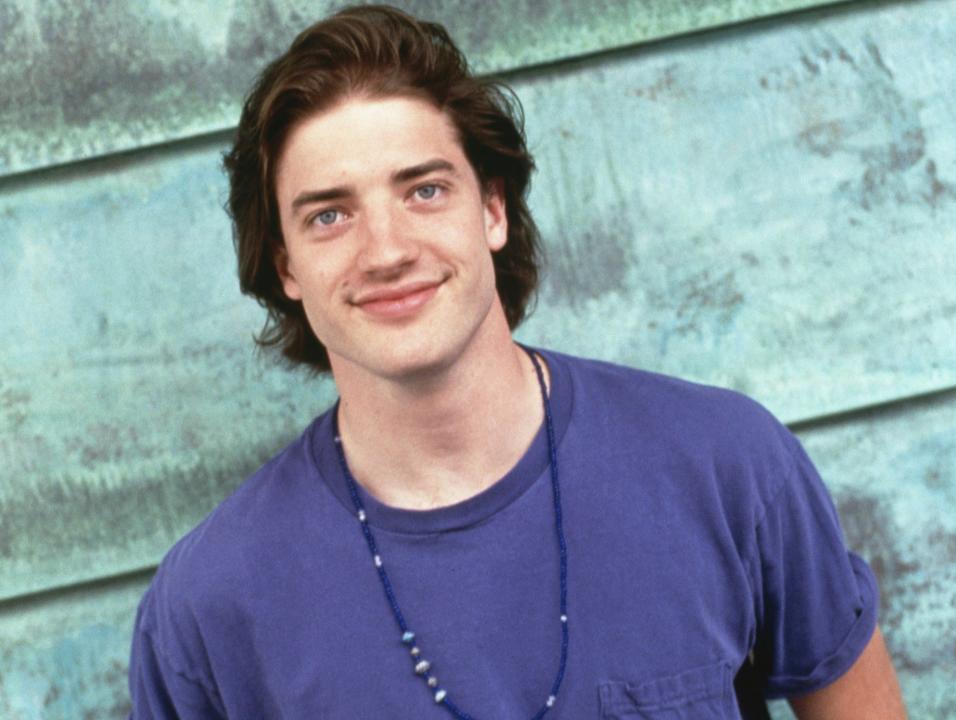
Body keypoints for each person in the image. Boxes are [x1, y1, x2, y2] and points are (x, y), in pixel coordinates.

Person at [127, 5, 907, 718]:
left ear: (492, 209)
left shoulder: (724, 465)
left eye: (424, 191)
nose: (389, 250)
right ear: (287, 266)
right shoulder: (209, 608)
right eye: (329, 214)